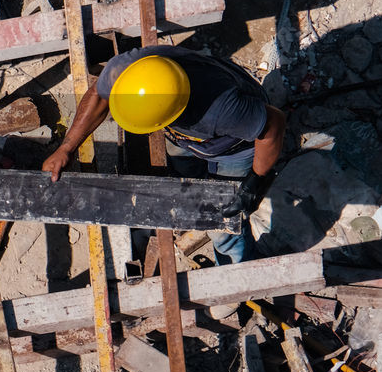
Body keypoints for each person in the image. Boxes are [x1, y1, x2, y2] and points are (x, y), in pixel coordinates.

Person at [41, 44, 286, 264]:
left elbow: (274, 125)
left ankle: (238, 265)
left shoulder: (221, 111)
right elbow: (98, 95)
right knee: (184, 171)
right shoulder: (128, 71)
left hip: (232, 150)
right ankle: (194, 193)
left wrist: (255, 180)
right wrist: (67, 147)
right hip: (190, 136)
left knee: (223, 222)